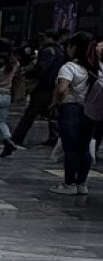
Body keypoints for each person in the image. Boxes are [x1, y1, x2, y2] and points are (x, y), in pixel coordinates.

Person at [48, 31, 96, 195]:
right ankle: (82, 184)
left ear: (74, 47)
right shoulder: (95, 68)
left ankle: (69, 184)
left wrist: (59, 99)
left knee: (71, 148)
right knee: (84, 148)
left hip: (71, 110)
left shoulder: (69, 67)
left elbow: (61, 89)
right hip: (90, 111)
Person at [13, 31, 65, 147]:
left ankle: (18, 137)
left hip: (42, 86)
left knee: (31, 113)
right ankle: (54, 137)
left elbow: (41, 69)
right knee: (52, 114)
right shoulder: (60, 51)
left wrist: (29, 72)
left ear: (49, 38)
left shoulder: (47, 51)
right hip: (54, 86)